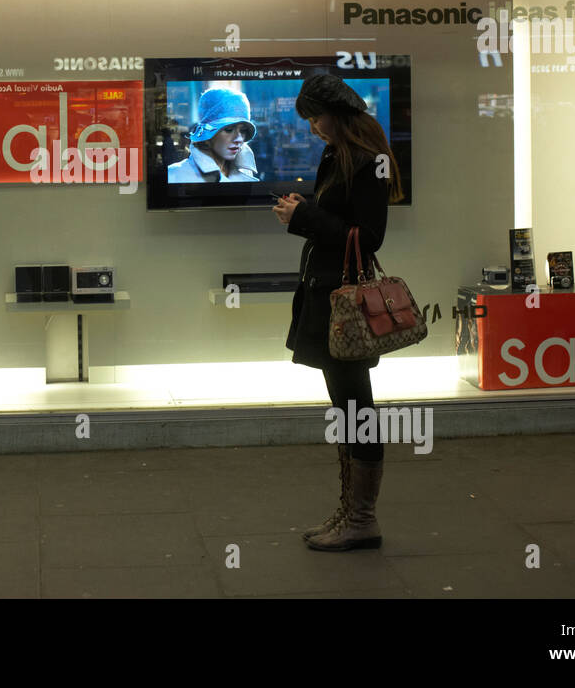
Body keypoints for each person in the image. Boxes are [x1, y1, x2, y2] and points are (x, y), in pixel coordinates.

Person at [271, 72, 405, 552]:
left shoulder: (373, 163)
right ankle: (350, 512)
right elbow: (342, 222)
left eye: (316, 118)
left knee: (355, 408)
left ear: (338, 116)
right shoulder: (339, 156)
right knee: (345, 408)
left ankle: (361, 518)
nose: (312, 128)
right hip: (326, 297)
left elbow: (368, 236)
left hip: (345, 305)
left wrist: (303, 217)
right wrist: (304, 213)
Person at [166, 88, 260, 182]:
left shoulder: (245, 172)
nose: (239, 139)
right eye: (229, 129)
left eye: (243, 130)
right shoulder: (174, 175)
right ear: (207, 135)